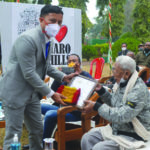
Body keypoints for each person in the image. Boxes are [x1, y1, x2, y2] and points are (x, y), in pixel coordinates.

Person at [0, 5, 78, 150]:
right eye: (52, 20)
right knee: (14, 135)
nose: (56, 25)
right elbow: (29, 72)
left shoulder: (50, 40)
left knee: (37, 130)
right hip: (15, 93)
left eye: (59, 22)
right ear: (41, 20)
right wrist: (51, 94)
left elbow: (45, 67)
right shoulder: (28, 39)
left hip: (33, 94)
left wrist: (64, 77)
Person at [81, 55, 150, 150]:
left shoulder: (138, 90)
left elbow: (123, 116)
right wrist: (101, 90)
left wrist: (97, 106)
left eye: (115, 71)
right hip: (118, 128)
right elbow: (115, 103)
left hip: (133, 133)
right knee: (87, 138)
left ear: (126, 73)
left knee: (99, 148)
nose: (113, 75)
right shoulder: (123, 83)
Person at [41, 53, 92, 139]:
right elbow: (54, 90)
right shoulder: (67, 76)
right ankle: (37, 140)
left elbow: (91, 92)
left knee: (50, 114)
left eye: (74, 61)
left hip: (75, 111)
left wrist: (78, 78)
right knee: (34, 106)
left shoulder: (86, 75)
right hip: (62, 107)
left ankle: (44, 144)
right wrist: (61, 77)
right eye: (69, 62)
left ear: (79, 63)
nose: (72, 63)